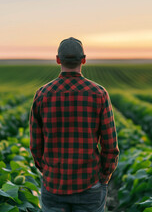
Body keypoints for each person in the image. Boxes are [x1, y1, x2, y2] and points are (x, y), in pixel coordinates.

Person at [29, 37, 119, 212]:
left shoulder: (42, 94)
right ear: (83, 60)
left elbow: (35, 145)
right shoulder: (98, 93)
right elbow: (110, 145)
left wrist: (47, 172)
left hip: (53, 184)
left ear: (58, 60)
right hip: (89, 183)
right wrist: (103, 177)